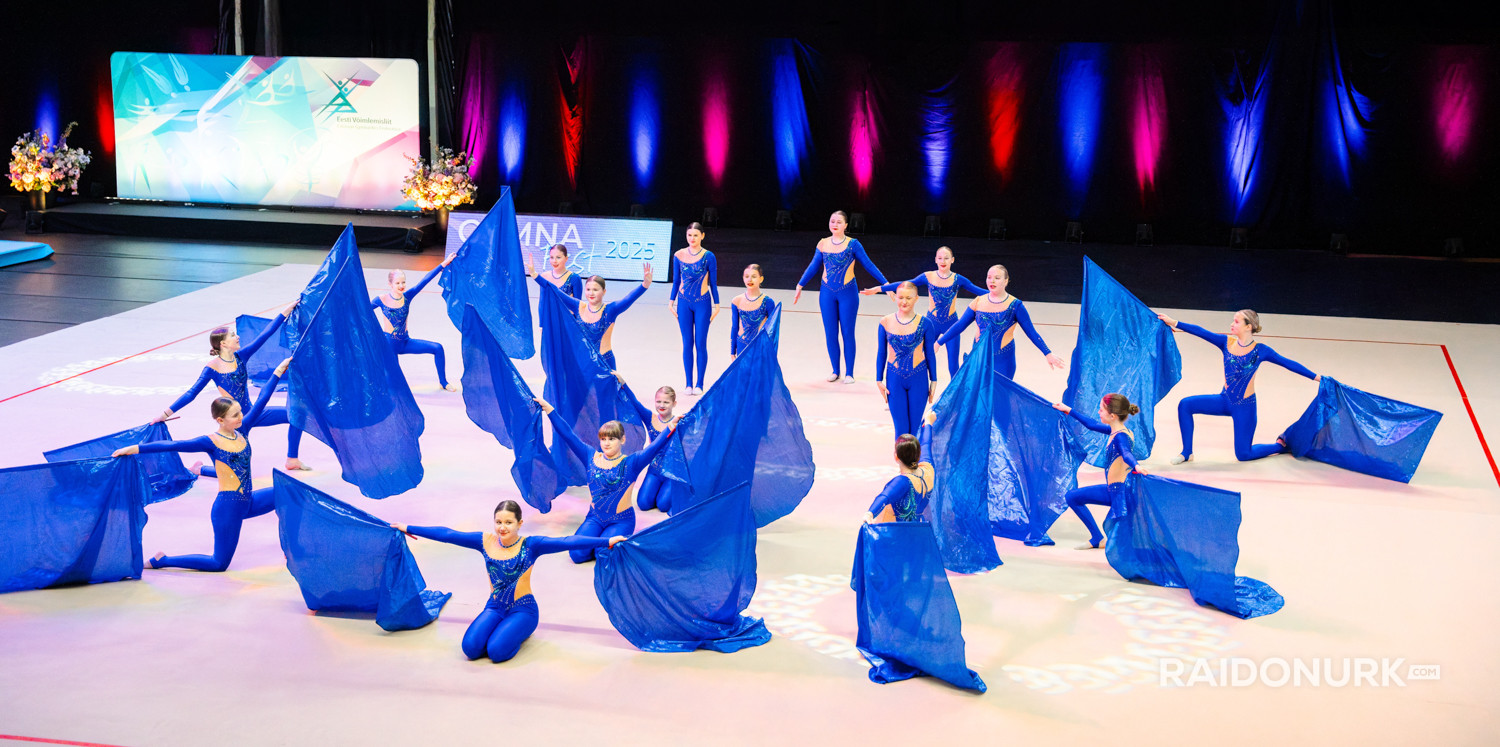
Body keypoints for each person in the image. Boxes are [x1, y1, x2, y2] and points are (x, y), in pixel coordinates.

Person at [392, 500, 625, 663]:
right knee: (470, 649)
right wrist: (408, 527)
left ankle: (522, 631)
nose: (502, 528)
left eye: (508, 522)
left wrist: (606, 541)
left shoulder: (531, 545)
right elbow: (448, 535)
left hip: (523, 610)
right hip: (495, 607)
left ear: (519, 524)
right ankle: (504, 629)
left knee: (496, 652)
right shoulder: (485, 541)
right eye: (498, 522)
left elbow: (567, 541)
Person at [115, 358, 293, 572]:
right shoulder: (210, 442)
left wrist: (278, 371)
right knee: (218, 564)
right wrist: (134, 448)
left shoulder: (243, 429)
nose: (241, 417)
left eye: (240, 412)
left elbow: (262, 399)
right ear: (220, 420)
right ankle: (163, 560)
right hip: (228, 508)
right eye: (235, 415)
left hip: (249, 500)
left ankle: (290, 548)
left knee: (286, 493)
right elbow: (175, 445)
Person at [1156, 309, 1320, 463]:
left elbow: (1288, 363)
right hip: (1224, 400)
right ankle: (1187, 452)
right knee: (1185, 405)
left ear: (1248, 326)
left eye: (1236, 321)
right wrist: (1174, 322)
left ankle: (1281, 446)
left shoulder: (1261, 350)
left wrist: (1316, 377)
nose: (1231, 324)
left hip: (1245, 407)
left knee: (1243, 455)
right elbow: (1201, 332)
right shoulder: (1226, 342)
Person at [159, 301, 306, 471]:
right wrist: (164, 414)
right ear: (223, 344)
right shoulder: (212, 368)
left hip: (253, 412)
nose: (238, 337)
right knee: (235, 471)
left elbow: (264, 335)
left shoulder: (241, 356)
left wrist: (286, 311)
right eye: (233, 335)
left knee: (297, 414)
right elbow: (191, 393)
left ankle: (292, 459)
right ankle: (200, 469)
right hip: (235, 421)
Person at [535, 397, 677, 563]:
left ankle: (604, 544)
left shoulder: (632, 462)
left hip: (621, 521)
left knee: (603, 554)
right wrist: (550, 410)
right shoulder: (590, 456)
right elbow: (568, 435)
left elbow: (654, 448)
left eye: (612, 439)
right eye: (603, 439)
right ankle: (598, 542)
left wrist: (670, 427)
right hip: (595, 518)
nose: (607, 443)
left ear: (622, 440)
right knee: (577, 555)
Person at [794, 210, 889, 383]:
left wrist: (886, 285)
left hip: (848, 293)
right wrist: (800, 284)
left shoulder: (853, 244)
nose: (835, 224)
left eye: (839, 222)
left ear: (846, 225)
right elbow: (814, 266)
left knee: (847, 332)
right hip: (827, 293)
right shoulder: (823, 243)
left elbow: (869, 265)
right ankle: (835, 370)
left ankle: (849, 373)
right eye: (832, 221)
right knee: (830, 333)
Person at [863, 246, 985, 377]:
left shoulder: (958, 279)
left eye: (946, 258)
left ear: (952, 260)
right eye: (940, 258)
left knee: (953, 364)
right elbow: (906, 284)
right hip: (931, 323)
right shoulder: (928, 276)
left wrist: (999, 295)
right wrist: (879, 289)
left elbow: (979, 291)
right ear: (935, 260)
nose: (943, 261)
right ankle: (918, 384)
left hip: (951, 324)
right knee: (921, 358)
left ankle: (955, 389)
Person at [1052, 394, 1148, 549]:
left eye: (1101, 409)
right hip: (1113, 489)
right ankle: (1097, 538)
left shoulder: (1120, 437)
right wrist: (1068, 410)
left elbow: (1126, 453)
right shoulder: (1117, 430)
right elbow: (1091, 424)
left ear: (1112, 415)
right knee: (1072, 497)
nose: (1098, 412)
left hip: (1120, 493)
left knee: (1124, 544)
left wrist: (1136, 466)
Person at [936, 264, 1064, 379]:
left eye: (997, 278)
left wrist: (1047, 353)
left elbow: (1031, 332)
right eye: (989, 277)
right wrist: (938, 343)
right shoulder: (978, 301)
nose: (992, 281)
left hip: (1003, 361)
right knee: (978, 395)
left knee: (999, 396)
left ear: (1006, 281)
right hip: (979, 358)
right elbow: (959, 326)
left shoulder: (1015, 305)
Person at [530, 262, 652, 369]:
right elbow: (555, 291)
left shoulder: (610, 310)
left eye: (595, 290)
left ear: (604, 291)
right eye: (588, 289)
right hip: (582, 362)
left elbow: (628, 299)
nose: (591, 293)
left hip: (604, 363)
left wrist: (644, 285)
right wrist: (535, 275)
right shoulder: (579, 307)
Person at [372, 256, 458, 391]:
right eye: (397, 283)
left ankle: (443, 382)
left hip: (405, 342)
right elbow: (362, 310)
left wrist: (444, 264)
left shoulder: (407, 297)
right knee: (395, 387)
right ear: (390, 284)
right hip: (389, 346)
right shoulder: (381, 300)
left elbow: (425, 280)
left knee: (437, 348)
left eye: (403, 282)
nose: (401, 286)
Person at [875, 282, 937, 441]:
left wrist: (934, 380)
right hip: (894, 379)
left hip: (918, 378)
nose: (904, 301)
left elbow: (930, 353)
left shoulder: (926, 324)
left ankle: (915, 457)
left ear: (916, 298)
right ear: (895, 297)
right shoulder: (885, 322)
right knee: (901, 428)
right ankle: (901, 457)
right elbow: (882, 352)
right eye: (901, 297)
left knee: (915, 427)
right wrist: (878, 380)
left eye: (909, 298)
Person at [669, 223, 720, 395]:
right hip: (684, 303)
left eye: (696, 235)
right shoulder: (678, 255)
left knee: (700, 343)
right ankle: (688, 383)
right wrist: (671, 301)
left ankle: (699, 383)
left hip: (702, 303)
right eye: (689, 235)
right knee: (687, 343)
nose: (692, 238)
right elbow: (676, 281)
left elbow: (713, 283)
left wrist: (717, 305)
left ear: (702, 236)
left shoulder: (709, 256)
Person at [623, 384, 680, 513]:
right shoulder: (650, 418)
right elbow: (635, 403)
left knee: (663, 505)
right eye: (658, 401)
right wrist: (623, 384)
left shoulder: (679, 422)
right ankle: (659, 489)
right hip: (654, 471)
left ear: (674, 404)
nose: (662, 405)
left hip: (671, 472)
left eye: (666, 402)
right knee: (643, 504)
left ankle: (673, 489)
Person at [865, 422, 935, 523]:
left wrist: (870, 513)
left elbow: (885, 496)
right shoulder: (928, 470)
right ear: (919, 454)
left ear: (896, 456)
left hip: (897, 531)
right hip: (920, 529)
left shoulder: (903, 481)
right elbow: (926, 444)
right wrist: (928, 423)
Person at [731, 264, 779, 358]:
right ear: (743, 278)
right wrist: (732, 352)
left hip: (760, 347)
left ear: (761, 279)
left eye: (754, 276)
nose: (750, 280)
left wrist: (771, 353)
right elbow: (734, 327)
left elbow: (772, 330)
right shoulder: (736, 301)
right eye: (747, 276)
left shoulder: (768, 302)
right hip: (742, 346)